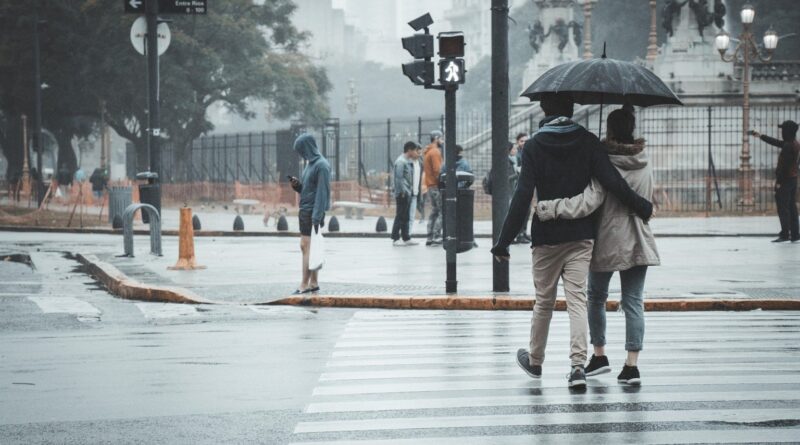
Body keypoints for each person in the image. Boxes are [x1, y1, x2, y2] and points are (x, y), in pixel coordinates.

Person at [490, 93, 653, 389]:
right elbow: (611, 182)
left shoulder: (535, 145)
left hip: (546, 237)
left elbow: (522, 195)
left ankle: (536, 362)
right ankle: (578, 367)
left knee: (544, 301)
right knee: (577, 300)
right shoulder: (589, 141)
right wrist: (641, 205)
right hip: (581, 236)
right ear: (572, 108)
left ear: (543, 110)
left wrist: (503, 241)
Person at [536, 108, 660, 386]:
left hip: (607, 236)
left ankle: (600, 355)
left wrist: (553, 208)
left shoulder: (604, 161)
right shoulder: (644, 159)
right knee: (633, 302)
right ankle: (631, 366)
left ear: (610, 129)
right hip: (639, 236)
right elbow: (647, 196)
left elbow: (591, 200)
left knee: (595, 297)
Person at [288, 134, 331, 294]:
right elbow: (308, 189)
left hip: (312, 212)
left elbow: (322, 193)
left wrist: (316, 216)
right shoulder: (310, 165)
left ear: (308, 147)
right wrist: (297, 186)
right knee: (310, 248)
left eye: (302, 150)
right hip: (306, 210)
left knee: (306, 247)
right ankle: (313, 283)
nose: (301, 154)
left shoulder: (322, 166)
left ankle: (304, 284)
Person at [751, 121, 800, 243]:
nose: (781, 132)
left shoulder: (788, 146)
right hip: (793, 179)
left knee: (783, 208)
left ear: (787, 131)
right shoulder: (794, 143)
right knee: (792, 207)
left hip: (785, 180)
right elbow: (776, 142)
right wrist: (760, 135)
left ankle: (785, 234)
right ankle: (795, 234)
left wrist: (779, 182)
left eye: (783, 130)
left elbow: (784, 167)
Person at [391, 141, 420, 246]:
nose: (416, 153)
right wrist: (402, 192)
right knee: (400, 215)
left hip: (407, 193)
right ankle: (395, 238)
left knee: (406, 216)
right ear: (409, 150)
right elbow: (398, 179)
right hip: (402, 193)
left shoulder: (406, 161)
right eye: (415, 150)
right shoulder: (401, 162)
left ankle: (406, 237)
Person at [423, 131, 444, 246]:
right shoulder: (435, 152)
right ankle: (437, 236)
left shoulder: (428, 152)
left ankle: (429, 236)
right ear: (436, 138)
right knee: (442, 211)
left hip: (430, 186)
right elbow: (438, 171)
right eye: (441, 138)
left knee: (434, 211)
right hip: (436, 186)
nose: (443, 141)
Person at [514, 133, 532, 244]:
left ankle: (524, 232)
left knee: (527, 211)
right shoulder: (517, 154)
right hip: (519, 186)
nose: (524, 143)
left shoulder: (529, 151)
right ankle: (520, 234)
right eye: (522, 141)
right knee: (521, 211)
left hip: (527, 185)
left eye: (526, 140)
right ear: (517, 142)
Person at [409, 143, 424, 233]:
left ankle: (408, 235)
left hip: (416, 191)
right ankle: (400, 236)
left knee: (412, 216)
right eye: (418, 153)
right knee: (404, 216)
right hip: (408, 192)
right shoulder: (407, 162)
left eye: (421, 153)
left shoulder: (420, 162)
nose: (419, 155)